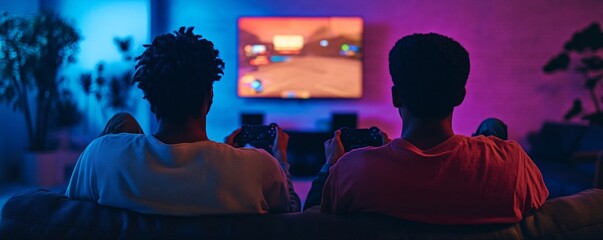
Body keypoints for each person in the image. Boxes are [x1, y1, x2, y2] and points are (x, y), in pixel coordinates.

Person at [305, 33, 549, 224]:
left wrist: (330, 166)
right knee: (493, 128)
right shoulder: (512, 163)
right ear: (460, 95)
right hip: (482, 170)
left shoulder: (352, 170)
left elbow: (314, 222)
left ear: (396, 96)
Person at [66, 27, 300, 215]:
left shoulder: (102, 154)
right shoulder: (259, 167)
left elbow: (70, 212)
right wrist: (281, 161)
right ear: (209, 96)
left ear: (151, 100)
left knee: (122, 121)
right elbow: (291, 215)